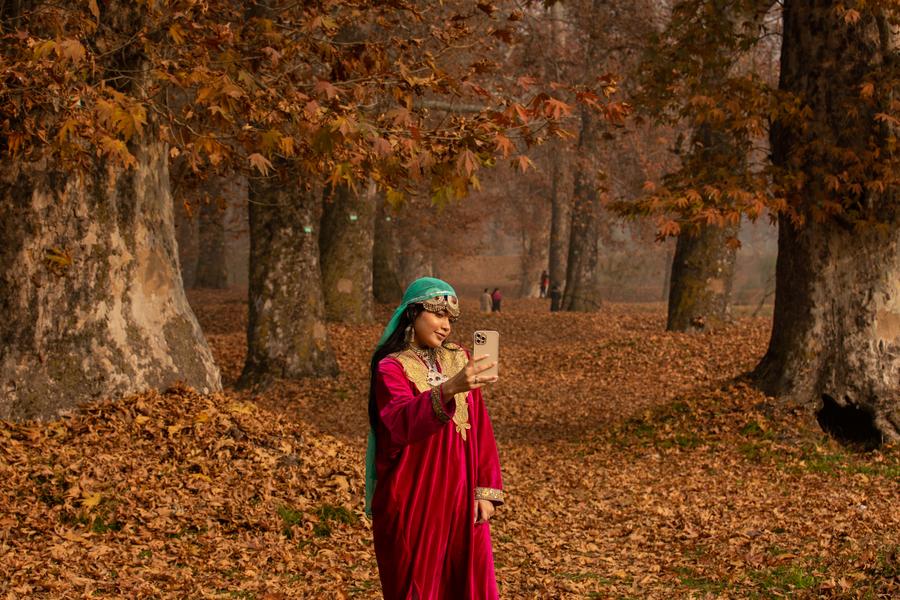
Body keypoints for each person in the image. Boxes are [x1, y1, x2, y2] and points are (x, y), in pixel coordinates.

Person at [365, 277, 504, 599]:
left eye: (451, 320)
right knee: (418, 584)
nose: (445, 327)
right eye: (438, 314)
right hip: (413, 494)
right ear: (412, 313)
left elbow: (480, 426)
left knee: (468, 583)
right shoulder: (391, 367)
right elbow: (398, 423)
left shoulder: (459, 358)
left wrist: (484, 490)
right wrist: (450, 388)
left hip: (461, 493)